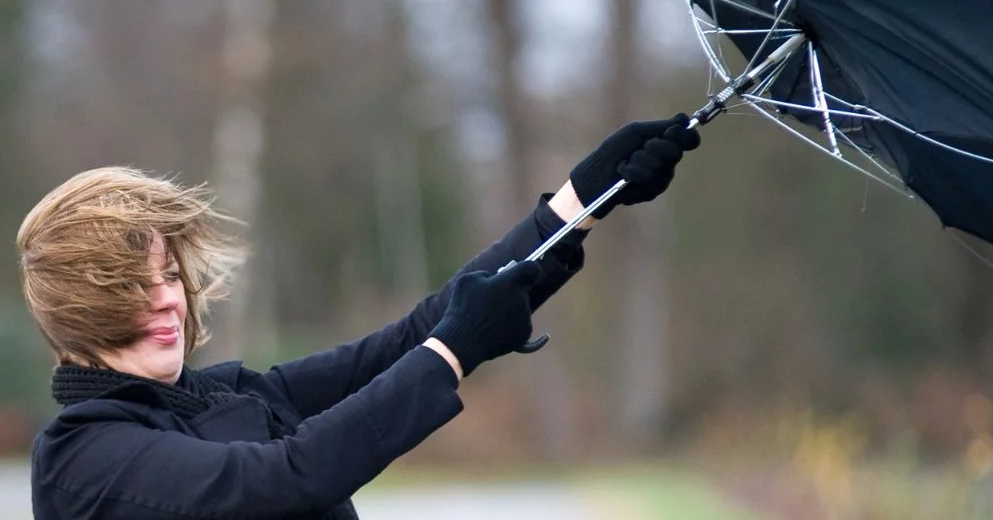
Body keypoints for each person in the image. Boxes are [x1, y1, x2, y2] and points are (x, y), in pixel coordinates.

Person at [18, 114, 700, 520]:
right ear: (82, 309)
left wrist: (575, 207)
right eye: (135, 287)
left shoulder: (221, 396)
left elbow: (407, 339)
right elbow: (282, 480)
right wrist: (453, 352)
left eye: (169, 276)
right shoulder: (85, 457)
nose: (168, 297)